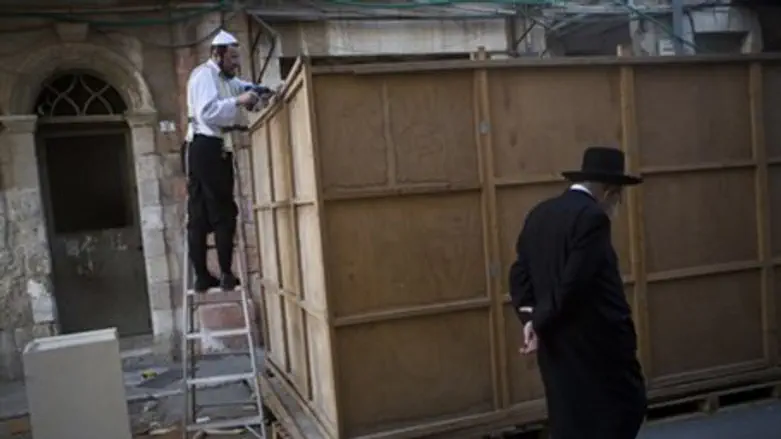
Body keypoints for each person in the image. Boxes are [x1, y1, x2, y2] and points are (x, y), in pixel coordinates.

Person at [509, 146, 647, 439]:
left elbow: (519, 274)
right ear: (610, 191)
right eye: (619, 195)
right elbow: (574, 283)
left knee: (568, 419)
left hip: (555, 345)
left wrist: (531, 320)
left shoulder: (539, 213)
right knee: (622, 411)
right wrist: (542, 320)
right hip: (597, 343)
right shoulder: (593, 218)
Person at [184, 29, 269, 292]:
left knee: (203, 214)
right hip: (206, 146)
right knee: (220, 213)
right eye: (232, 57)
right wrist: (240, 100)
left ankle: (209, 276)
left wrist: (255, 92)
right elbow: (208, 112)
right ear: (217, 54)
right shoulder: (204, 75)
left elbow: (242, 87)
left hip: (207, 147)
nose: (236, 63)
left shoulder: (225, 78)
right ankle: (222, 274)